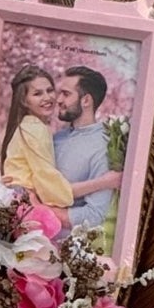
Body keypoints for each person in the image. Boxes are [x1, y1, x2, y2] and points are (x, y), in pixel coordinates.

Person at [52, 65, 123, 240]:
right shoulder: (56, 138)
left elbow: (93, 216)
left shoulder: (103, 147)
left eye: (66, 94)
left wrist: (40, 209)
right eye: (59, 93)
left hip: (61, 249)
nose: (58, 99)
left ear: (86, 101)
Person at [1, 66, 73, 208]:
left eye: (50, 90)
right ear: (24, 101)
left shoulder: (26, 125)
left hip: (14, 193)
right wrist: (66, 197)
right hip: (23, 197)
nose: (47, 97)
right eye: (37, 94)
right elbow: (44, 173)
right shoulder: (34, 129)